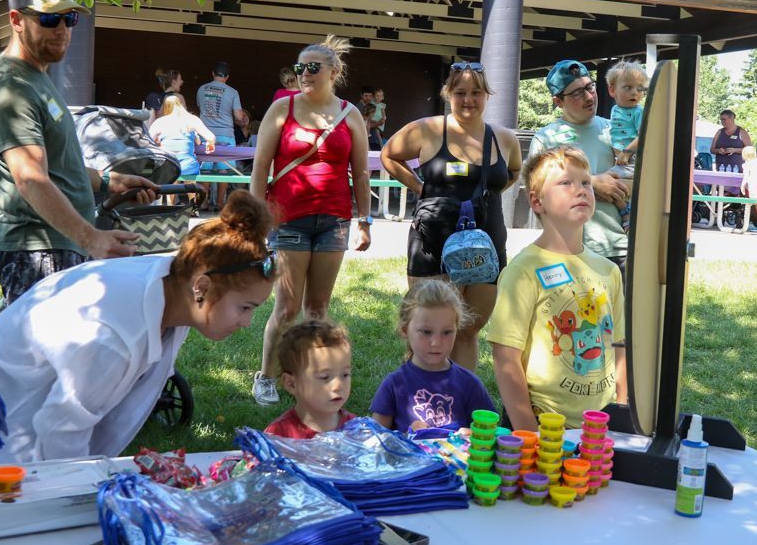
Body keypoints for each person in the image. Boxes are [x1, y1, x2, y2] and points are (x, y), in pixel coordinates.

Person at [0, 191, 278, 465]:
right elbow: (61, 432)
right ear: (201, 287)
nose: (247, 322)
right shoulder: (112, 334)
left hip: (4, 428)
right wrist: (78, 495)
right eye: (245, 307)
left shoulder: (177, 288)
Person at [0, 0, 157, 305]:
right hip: (36, 252)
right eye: (48, 18)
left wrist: (110, 182)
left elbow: (57, 167)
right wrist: (91, 238)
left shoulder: (37, 79)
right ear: (16, 20)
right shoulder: (12, 87)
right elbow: (30, 179)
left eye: (69, 18)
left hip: (57, 248)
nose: (61, 29)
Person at [249, 35, 372, 405]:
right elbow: (260, 167)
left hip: (334, 220)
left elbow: (361, 173)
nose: (304, 73)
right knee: (286, 308)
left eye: (313, 67)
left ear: (333, 72)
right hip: (288, 219)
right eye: (300, 67)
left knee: (317, 310)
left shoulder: (350, 115)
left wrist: (364, 220)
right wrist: (256, 220)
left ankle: (310, 376)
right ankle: (266, 376)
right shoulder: (282, 109)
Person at [381, 61, 522, 372]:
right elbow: (389, 155)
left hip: (488, 245)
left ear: (487, 95)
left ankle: (461, 396)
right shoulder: (427, 129)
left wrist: (484, 196)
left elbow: (513, 171)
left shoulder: (504, 138)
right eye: (460, 92)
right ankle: (420, 395)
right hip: (432, 244)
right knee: (428, 333)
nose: (468, 100)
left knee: (468, 331)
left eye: (476, 92)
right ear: (447, 94)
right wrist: (419, 187)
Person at [487, 145, 626, 431]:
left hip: (599, 429)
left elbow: (619, 346)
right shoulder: (523, 270)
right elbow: (506, 357)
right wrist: (529, 434)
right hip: (542, 427)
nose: (581, 190)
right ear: (537, 201)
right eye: (566, 183)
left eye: (586, 182)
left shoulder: (609, 270)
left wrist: (623, 413)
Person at [528, 59, 630, 282]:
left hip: (616, 248)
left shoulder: (614, 130)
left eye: (589, 87)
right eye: (577, 93)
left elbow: (637, 175)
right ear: (558, 101)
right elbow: (537, 194)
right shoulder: (546, 138)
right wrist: (592, 183)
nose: (589, 97)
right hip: (566, 250)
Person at [371, 280, 495, 434]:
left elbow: (491, 434)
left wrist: (471, 437)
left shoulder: (470, 385)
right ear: (405, 330)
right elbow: (376, 440)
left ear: (457, 330)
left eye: (447, 332)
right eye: (426, 332)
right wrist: (407, 437)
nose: (436, 342)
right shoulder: (394, 385)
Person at [264, 319, 357, 439]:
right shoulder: (278, 436)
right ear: (291, 384)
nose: (338, 385)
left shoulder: (355, 428)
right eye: (325, 377)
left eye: (345, 375)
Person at [605, 60, 649, 230]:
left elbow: (644, 134)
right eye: (628, 87)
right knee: (609, 185)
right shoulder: (616, 110)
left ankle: (627, 212)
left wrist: (627, 152)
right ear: (612, 90)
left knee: (604, 182)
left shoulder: (638, 112)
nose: (635, 93)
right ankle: (627, 210)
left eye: (640, 88)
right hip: (622, 160)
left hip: (632, 159)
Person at [197, 60, 245, 211]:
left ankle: (203, 202)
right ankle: (219, 203)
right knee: (224, 171)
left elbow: (200, 107)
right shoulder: (232, 92)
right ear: (227, 76)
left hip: (205, 134)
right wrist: (242, 119)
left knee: (205, 171)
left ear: (213, 73)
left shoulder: (201, 89)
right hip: (226, 135)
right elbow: (238, 116)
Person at [148, 93, 216, 177]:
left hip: (167, 165)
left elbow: (148, 141)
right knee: (191, 170)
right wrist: (210, 144)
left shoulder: (159, 122)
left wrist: (157, 143)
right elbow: (211, 137)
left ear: (165, 107)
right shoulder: (192, 119)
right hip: (188, 166)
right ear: (181, 105)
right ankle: (190, 186)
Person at [357, 86, 382, 150]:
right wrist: (377, 124)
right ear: (361, 95)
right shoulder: (358, 108)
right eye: (366, 96)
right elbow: (360, 126)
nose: (368, 98)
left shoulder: (372, 106)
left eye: (370, 96)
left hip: (374, 140)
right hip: (366, 141)